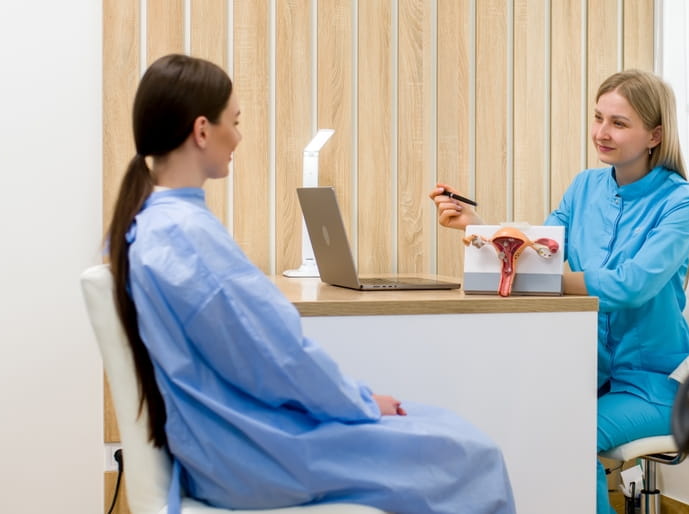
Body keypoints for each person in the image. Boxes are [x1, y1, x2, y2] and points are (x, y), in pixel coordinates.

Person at [106, 53, 515, 514]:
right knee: (472, 453)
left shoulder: (148, 226)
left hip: (224, 445)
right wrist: (358, 402)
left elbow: (262, 355)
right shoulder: (186, 235)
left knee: (441, 430)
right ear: (202, 131)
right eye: (234, 122)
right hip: (256, 454)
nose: (238, 136)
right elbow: (276, 357)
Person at [430, 69, 689, 513]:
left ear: (654, 134)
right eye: (598, 118)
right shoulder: (584, 187)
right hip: (587, 373)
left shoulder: (682, 201)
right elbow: (540, 253)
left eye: (619, 123)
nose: (602, 132)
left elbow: (631, 285)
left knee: (574, 436)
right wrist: (477, 227)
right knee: (513, 422)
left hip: (654, 384)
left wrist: (538, 279)